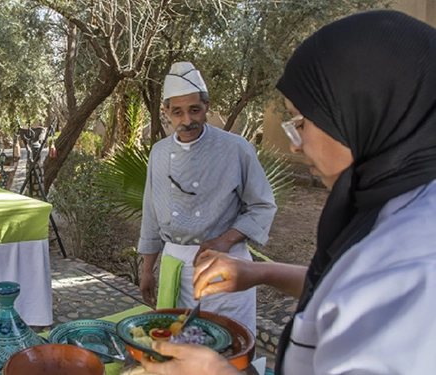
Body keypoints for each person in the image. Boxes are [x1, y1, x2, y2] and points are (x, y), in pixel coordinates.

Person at [139, 10, 436, 375]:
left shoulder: (417, 261)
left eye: (302, 122)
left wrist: (219, 372)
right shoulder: (393, 209)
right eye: (177, 113)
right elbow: (337, 285)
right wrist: (259, 273)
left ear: (357, 114)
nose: (295, 144)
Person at [137, 61, 277, 336]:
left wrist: (225, 240)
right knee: (181, 349)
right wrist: (147, 270)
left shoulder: (236, 148)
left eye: (195, 110)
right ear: (166, 111)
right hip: (175, 268)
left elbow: (262, 206)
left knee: (228, 346)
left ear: (207, 106)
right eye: (177, 112)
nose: (187, 120)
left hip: (223, 266)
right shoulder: (159, 153)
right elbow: (151, 215)